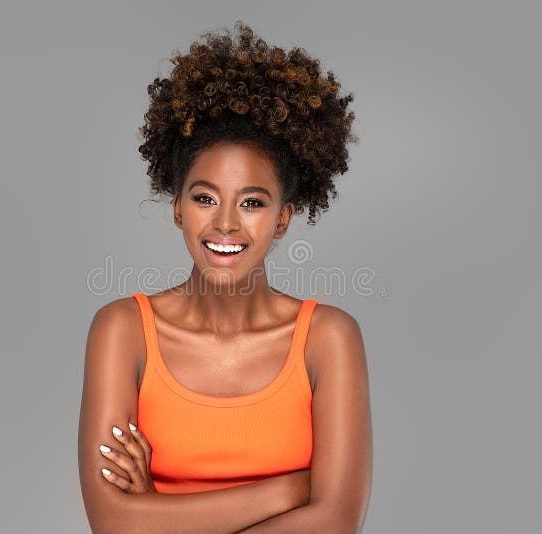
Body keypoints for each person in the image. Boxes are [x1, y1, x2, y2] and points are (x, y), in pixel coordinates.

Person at [78, 20, 372, 533]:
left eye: (253, 202)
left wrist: (158, 514)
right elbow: (114, 524)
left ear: (284, 216)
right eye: (205, 197)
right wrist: (294, 488)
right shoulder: (122, 331)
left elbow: (336, 523)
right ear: (177, 208)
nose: (226, 223)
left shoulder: (328, 339)